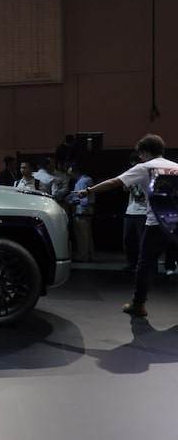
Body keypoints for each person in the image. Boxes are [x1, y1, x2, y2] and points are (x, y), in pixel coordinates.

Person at [75, 134, 178, 316]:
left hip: (157, 222)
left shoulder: (144, 167)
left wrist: (89, 190)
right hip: (176, 221)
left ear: (145, 152)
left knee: (145, 263)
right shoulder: (175, 167)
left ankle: (138, 304)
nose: (140, 157)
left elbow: (115, 182)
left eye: (141, 154)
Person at [121, 151, 147, 272]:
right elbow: (125, 189)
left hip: (144, 211)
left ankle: (146, 265)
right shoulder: (131, 173)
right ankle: (132, 262)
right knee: (128, 238)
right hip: (131, 210)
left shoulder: (145, 172)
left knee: (143, 240)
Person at [67, 163, 95, 262]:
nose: (71, 177)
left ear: (76, 172)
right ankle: (89, 254)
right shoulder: (88, 179)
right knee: (87, 233)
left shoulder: (81, 182)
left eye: (71, 174)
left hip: (81, 209)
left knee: (81, 234)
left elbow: (83, 198)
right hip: (88, 208)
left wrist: (82, 209)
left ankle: (83, 255)